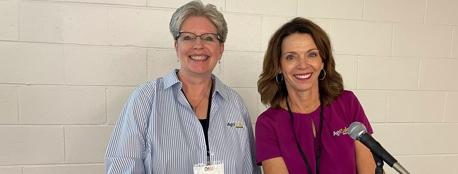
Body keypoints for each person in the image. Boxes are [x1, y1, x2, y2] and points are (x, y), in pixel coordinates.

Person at [105, 1, 260, 173]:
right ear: (176, 46)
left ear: (221, 49)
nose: (198, 45)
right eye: (188, 37)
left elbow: (250, 169)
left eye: (208, 38)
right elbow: (123, 167)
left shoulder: (235, 104)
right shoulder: (146, 98)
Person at [255, 17, 376, 174]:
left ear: (322, 61)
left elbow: (370, 170)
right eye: (291, 57)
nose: (303, 65)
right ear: (278, 65)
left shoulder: (347, 103)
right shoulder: (268, 124)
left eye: (311, 55)